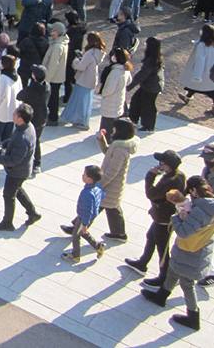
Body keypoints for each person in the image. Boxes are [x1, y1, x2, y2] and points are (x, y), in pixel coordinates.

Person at [140, 176, 214, 332]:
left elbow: (184, 232)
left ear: (194, 190)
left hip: (190, 253)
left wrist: (175, 217)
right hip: (199, 250)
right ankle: (161, 296)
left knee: (187, 285)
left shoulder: (199, 211)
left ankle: (193, 317)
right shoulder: (210, 206)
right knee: (172, 272)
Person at [124, 150, 186, 277]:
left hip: (164, 219)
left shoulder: (169, 181)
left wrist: (150, 175)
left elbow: (151, 194)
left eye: (161, 163)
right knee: (151, 237)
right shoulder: (180, 175)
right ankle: (142, 263)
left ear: (167, 166)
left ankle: (164, 277)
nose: (158, 165)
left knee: (162, 249)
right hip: (163, 216)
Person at [0, 103, 41, 231]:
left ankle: (8, 223)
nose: (12, 115)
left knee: (9, 195)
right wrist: (4, 143)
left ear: (20, 119)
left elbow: (14, 160)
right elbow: (13, 139)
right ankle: (33, 213)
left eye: (15, 114)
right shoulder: (27, 127)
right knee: (17, 190)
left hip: (17, 172)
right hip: (22, 170)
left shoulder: (22, 137)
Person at [96, 118, 139, 242]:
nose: (112, 131)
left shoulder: (120, 150)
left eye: (114, 129)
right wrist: (101, 139)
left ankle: (76, 227)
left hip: (110, 186)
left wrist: (99, 185)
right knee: (113, 208)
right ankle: (119, 234)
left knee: (93, 207)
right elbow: (108, 152)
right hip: (113, 187)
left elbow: (112, 172)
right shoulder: (118, 146)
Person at [60, 165, 106, 263]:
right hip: (90, 216)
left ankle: (75, 256)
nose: (82, 175)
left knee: (76, 236)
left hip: (83, 218)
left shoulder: (87, 194)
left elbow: (87, 211)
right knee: (81, 233)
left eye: (84, 174)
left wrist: (84, 224)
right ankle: (98, 246)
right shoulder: (97, 187)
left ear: (89, 180)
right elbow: (103, 195)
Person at [61, 32, 106, 129]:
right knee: (86, 102)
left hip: (84, 79)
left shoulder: (90, 53)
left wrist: (76, 60)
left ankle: (81, 121)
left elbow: (81, 66)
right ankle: (83, 120)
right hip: (91, 79)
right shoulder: (99, 51)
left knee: (79, 101)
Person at [128, 37, 163, 132]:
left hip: (151, 87)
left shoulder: (151, 61)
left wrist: (129, 86)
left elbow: (142, 75)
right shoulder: (156, 57)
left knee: (147, 106)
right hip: (151, 85)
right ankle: (133, 119)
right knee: (137, 100)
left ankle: (148, 126)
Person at [19, 65, 49, 176]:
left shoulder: (31, 89)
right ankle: (37, 163)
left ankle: (35, 164)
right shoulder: (47, 87)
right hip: (42, 117)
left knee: (32, 140)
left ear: (34, 76)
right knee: (37, 140)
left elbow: (19, 96)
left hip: (32, 118)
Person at [179, 24, 214, 114]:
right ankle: (187, 97)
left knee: (194, 85)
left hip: (201, 72)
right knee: (209, 89)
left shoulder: (202, 45)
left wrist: (197, 75)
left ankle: (187, 97)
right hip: (210, 72)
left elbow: (200, 60)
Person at [98, 48, 133, 132]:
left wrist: (103, 93)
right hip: (118, 99)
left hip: (111, 101)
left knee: (106, 123)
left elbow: (109, 89)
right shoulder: (125, 70)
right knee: (113, 122)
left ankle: (104, 139)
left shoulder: (115, 72)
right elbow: (129, 81)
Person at [42, 21, 69, 126]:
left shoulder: (57, 47)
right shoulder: (61, 43)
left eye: (53, 31)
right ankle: (53, 116)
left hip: (53, 78)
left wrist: (47, 80)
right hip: (57, 76)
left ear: (57, 33)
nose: (50, 33)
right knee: (54, 97)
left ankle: (53, 118)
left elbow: (53, 65)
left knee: (53, 98)